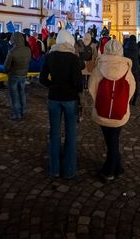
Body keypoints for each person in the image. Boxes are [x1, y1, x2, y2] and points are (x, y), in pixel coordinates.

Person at [89, 39, 136, 182]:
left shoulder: (99, 67)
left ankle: (109, 171)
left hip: (102, 111)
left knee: (111, 142)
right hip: (119, 112)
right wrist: (123, 101)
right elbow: (131, 89)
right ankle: (117, 168)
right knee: (113, 140)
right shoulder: (126, 68)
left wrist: (100, 100)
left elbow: (92, 88)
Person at [39, 29, 84, 179]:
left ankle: (54, 169)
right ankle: (69, 170)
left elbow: (42, 79)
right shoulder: (73, 57)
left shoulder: (50, 56)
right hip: (70, 99)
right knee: (70, 134)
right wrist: (74, 89)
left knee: (54, 133)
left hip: (54, 98)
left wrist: (53, 85)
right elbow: (78, 83)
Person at [4, 32, 31, 120]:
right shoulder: (28, 50)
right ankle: (23, 110)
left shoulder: (12, 51)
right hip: (24, 75)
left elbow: (6, 66)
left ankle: (16, 114)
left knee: (14, 95)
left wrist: (6, 71)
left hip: (14, 75)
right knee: (22, 92)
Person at [123, 35, 140, 104]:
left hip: (127, 67)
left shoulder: (125, 47)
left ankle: (128, 99)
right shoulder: (137, 47)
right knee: (136, 83)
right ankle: (135, 100)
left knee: (127, 83)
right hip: (136, 67)